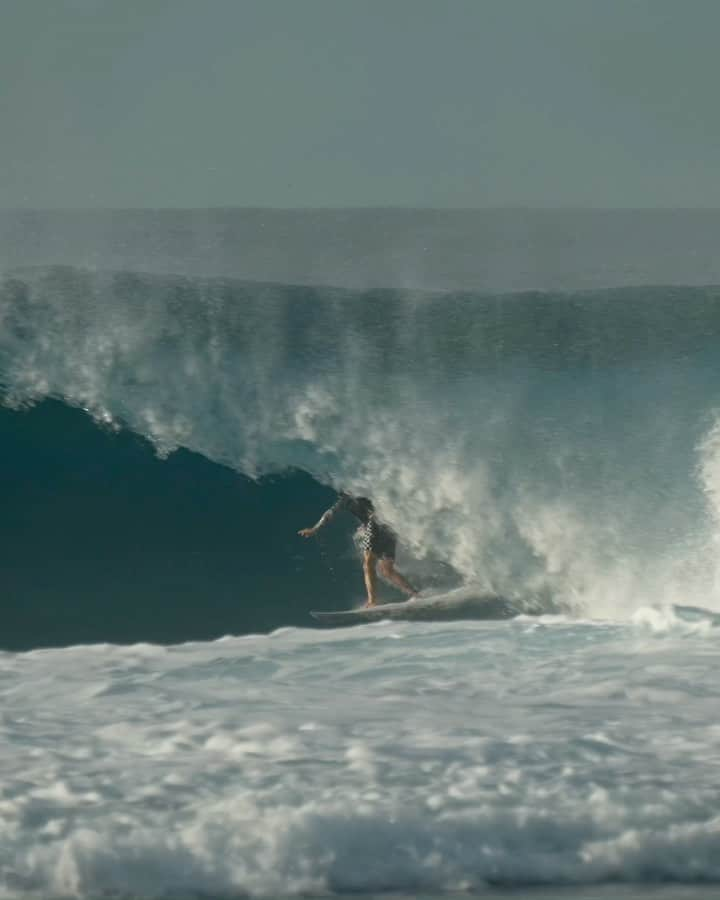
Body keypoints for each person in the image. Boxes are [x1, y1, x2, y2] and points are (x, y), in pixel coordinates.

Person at [299, 492, 418, 607]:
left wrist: (314, 529)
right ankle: (415, 594)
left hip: (375, 527)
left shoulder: (351, 498)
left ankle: (372, 601)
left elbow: (329, 514)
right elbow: (330, 513)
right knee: (387, 570)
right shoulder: (354, 495)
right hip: (389, 528)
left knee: (368, 564)